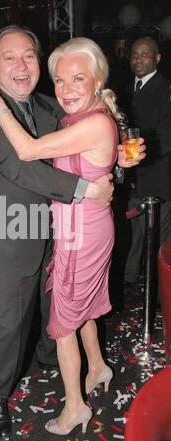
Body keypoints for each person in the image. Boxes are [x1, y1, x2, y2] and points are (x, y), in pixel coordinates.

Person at [0, 25, 144, 441]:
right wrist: (87, 187)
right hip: (9, 227)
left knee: (56, 311)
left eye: (29, 55)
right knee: (10, 322)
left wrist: (116, 161)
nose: (21, 65)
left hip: (60, 230)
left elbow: (83, 147)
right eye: (9, 57)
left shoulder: (50, 107)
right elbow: (19, 165)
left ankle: (57, 364)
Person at [119, 37, 171, 290]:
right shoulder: (126, 90)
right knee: (132, 235)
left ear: (157, 58)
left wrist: (138, 160)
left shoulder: (166, 90)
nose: (139, 59)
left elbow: (166, 136)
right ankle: (128, 285)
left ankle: (162, 294)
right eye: (135, 54)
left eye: (145, 54)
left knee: (159, 242)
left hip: (158, 179)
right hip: (132, 178)